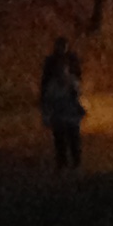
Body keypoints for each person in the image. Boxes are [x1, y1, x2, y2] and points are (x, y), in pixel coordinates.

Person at [38, 36, 87, 171]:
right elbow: (47, 97)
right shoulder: (53, 84)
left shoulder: (72, 82)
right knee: (60, 139)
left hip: (70, 115)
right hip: (59, 114)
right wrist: (46, 115)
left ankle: (75, 162)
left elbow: (77, 92)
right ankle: (62, 162)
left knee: (73, 138)